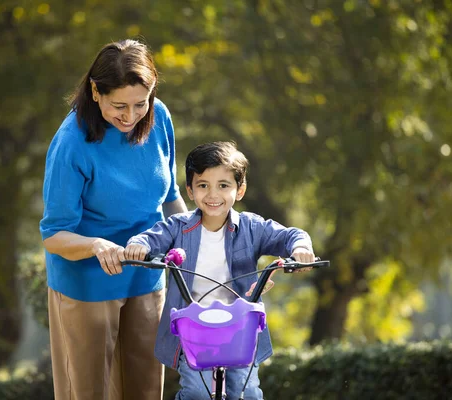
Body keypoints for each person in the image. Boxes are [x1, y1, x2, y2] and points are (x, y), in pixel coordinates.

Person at [40, 39, 188, 400]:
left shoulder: (159, 118)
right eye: (118, 105)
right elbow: (54, 234)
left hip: (146, 274)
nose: (130, 115)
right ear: (95, 90)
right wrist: (96, 245)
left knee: (146, 390)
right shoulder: (71, 143)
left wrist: (201, 240)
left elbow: (170, 198)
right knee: (91, 392)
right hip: (88, 282)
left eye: (141, 102)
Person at [125, 141, 315, 399]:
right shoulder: (177, 226)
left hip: (240, 330)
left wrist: (301, 248)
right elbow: (150, 238)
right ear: (190, 191)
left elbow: (291, 235)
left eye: (223, 185)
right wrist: (138, 245)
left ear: (240, 190)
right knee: (197, 392)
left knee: (247, 392)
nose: (213, 195)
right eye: (203, 185)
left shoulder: (251, 227)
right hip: (195, 330)